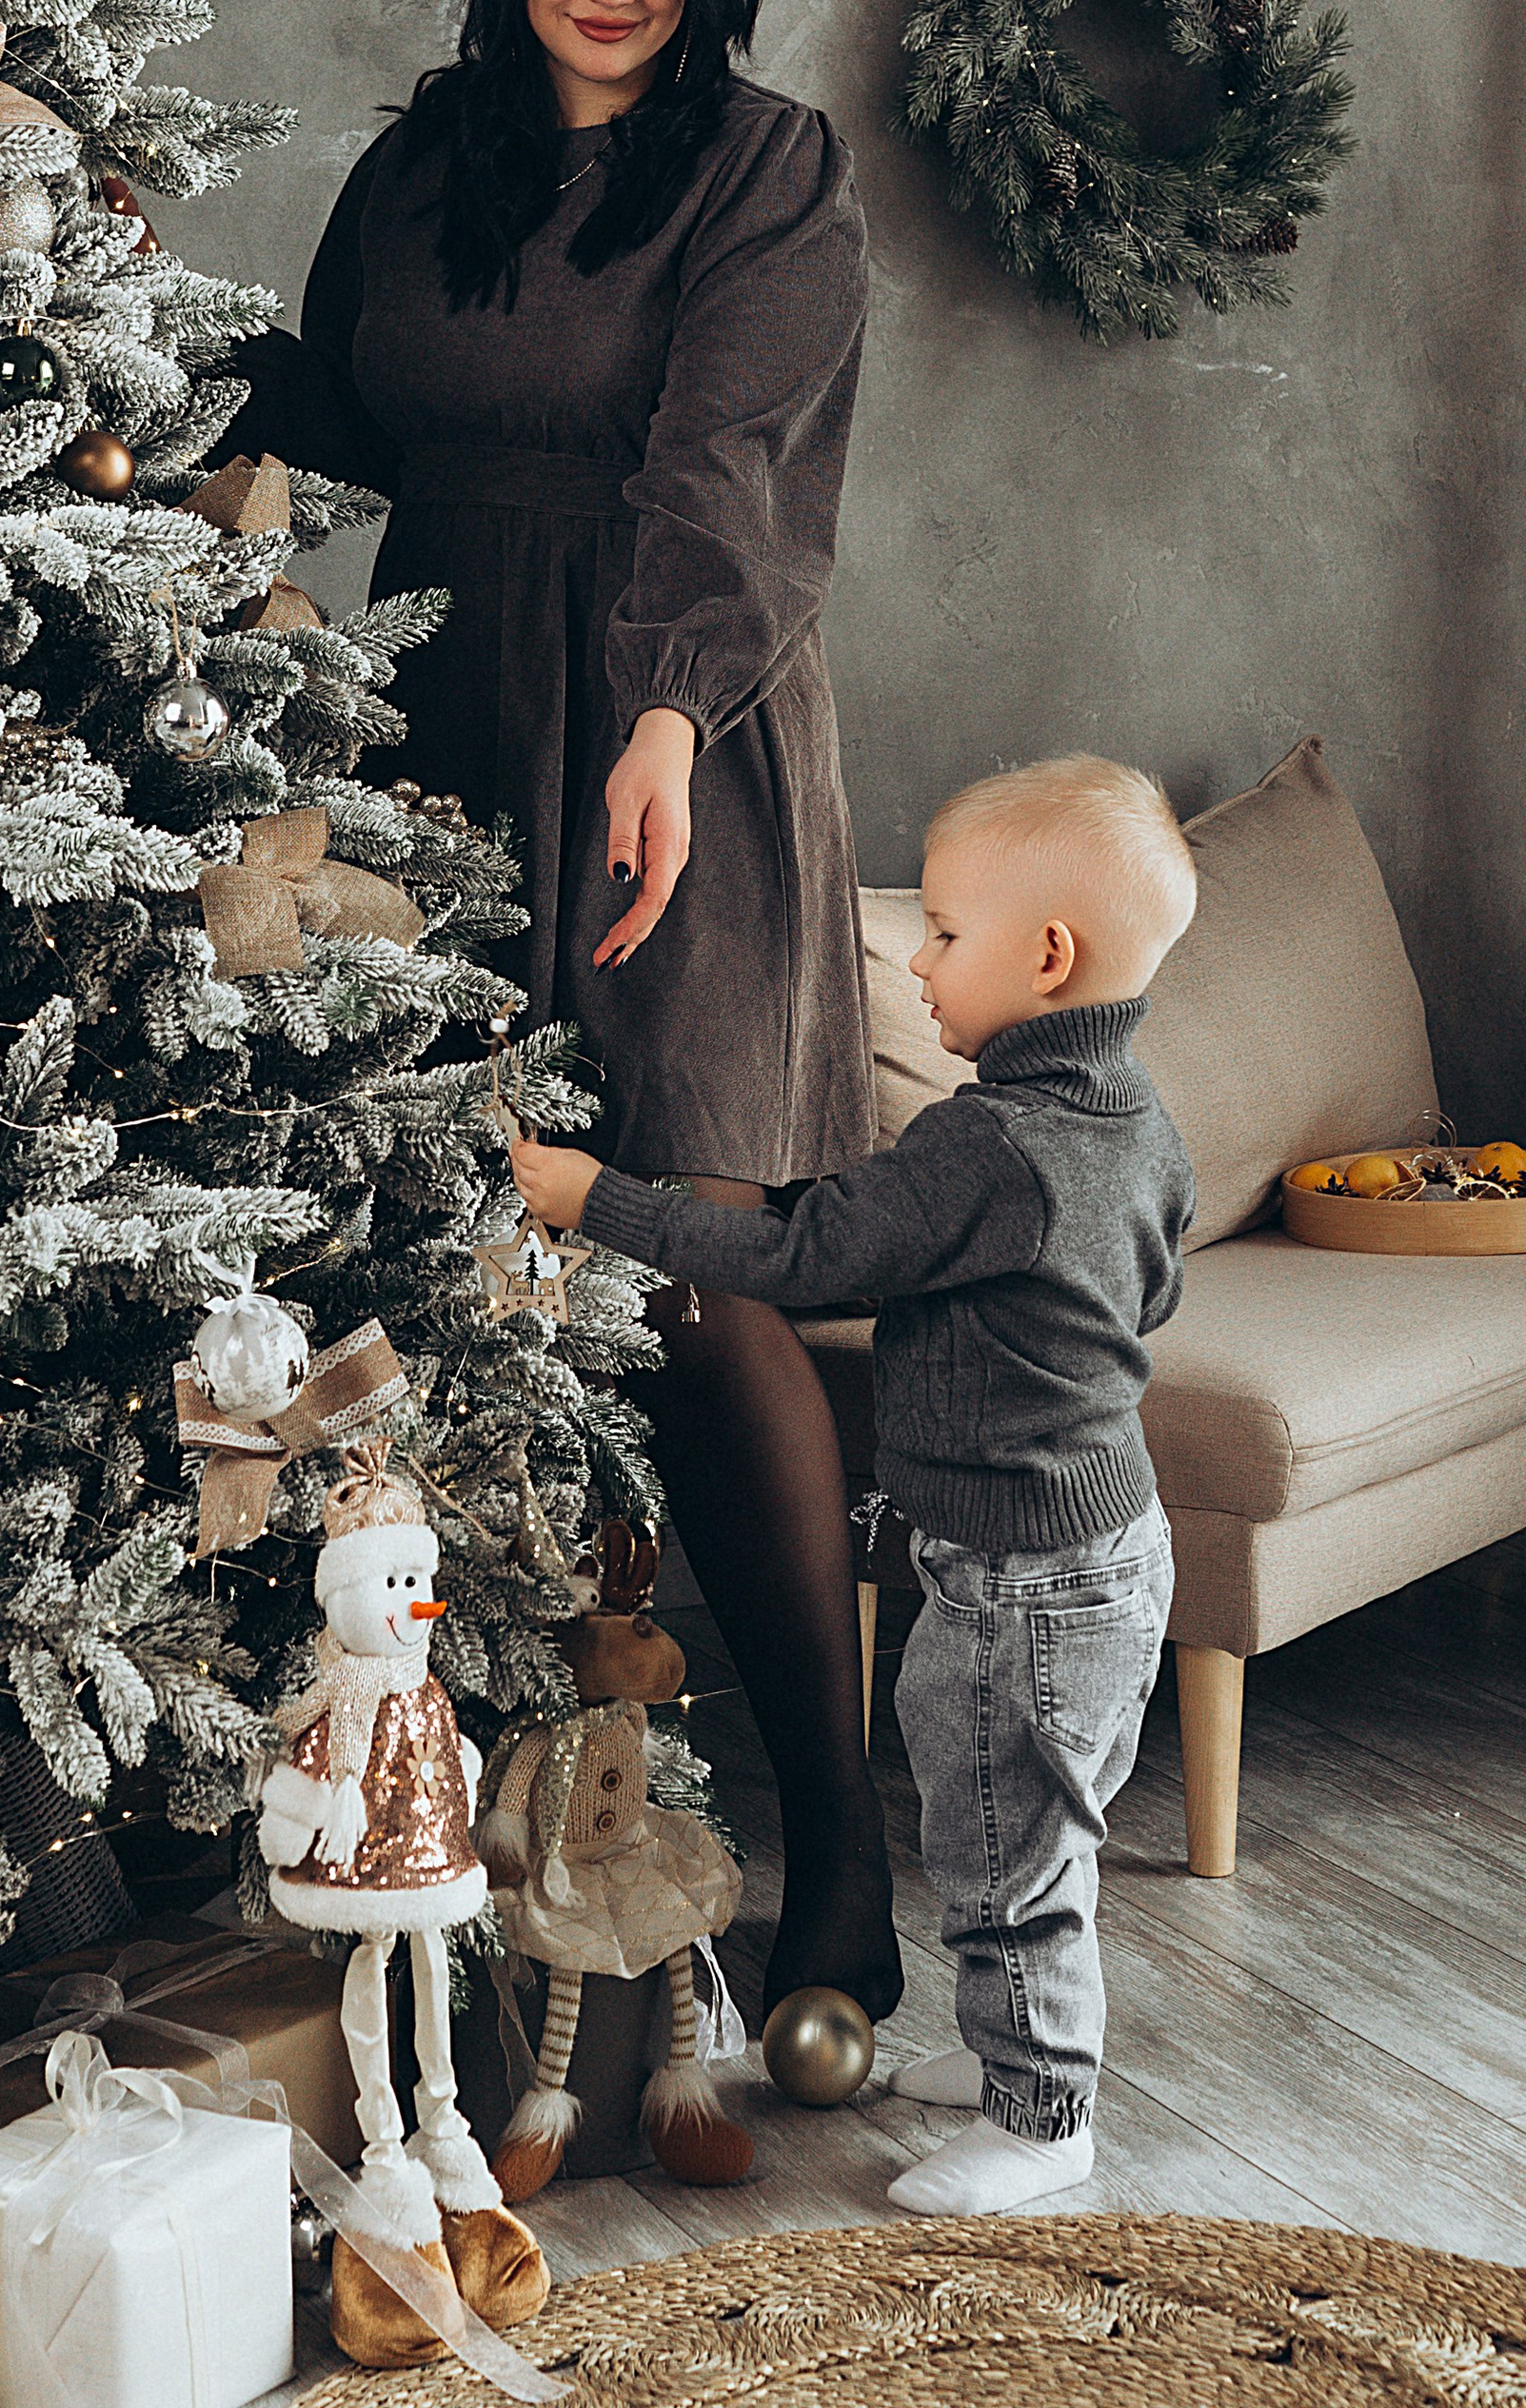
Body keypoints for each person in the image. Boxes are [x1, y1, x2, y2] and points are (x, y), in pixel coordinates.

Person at [228, 0, 899, 2018]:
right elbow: (353, 417)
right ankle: (530, 1866)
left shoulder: (761, 166)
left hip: (667, 738)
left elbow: (725, 467)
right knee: (473, 1269)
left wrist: (662, 715)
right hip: (441, 724)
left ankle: (838, 1858)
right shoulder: (427, 165)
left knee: (687, 1270)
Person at [516, 754, 1199, 2214]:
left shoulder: (983, 1145)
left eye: (943, 933)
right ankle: (1012, 2056)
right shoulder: (1137, 1118)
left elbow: (796, 1255)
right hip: (1108, 1540)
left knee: (1005, 1848)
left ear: (1049, 958)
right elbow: (1153, 1288)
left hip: (1023, 1579)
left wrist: (596, 1198)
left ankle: (1043, 2120)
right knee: (1032, 1829)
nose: (920, 962)